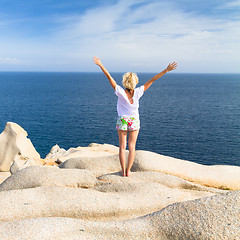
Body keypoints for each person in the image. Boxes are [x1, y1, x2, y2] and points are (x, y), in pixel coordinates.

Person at [93, 56, 177, 177]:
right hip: (134, 121)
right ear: (135, 82)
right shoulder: (138, 92)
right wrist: (166, 70)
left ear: (124, 82)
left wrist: (100, 65)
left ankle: (122, 171)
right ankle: (128, 171)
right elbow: (152, 80)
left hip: (122, 120)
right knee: (132, 147)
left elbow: (109, 77)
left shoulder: (120, 92)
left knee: (122, 147)